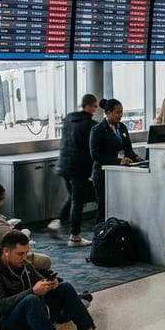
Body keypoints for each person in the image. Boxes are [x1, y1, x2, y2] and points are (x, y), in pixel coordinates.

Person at [0, 231, 113, 330]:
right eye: (20, 254)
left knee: (64, 287)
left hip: (29, 325)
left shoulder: (23, 266)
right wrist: (32, 291)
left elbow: (40, 280)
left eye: (26, 253)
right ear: (6, 251)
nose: (24, 257)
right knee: (31, 299)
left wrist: (50, 284)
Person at [51, 94, 99, 244]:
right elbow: (90, 150)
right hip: (80, 168)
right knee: (78, 201)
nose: (96, 109)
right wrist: (91, 171)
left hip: (65, 166)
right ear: (88, 106)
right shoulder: (90, 125)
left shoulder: (69, 119)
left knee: (73, 198)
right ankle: (75, 236)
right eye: (95, 106)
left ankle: (57, 222)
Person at [89, 98, 142, 224]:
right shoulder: (97, 130)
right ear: (108, 113)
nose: (120, 115)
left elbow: (127, 148)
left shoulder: (122, 127)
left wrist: (135, 157)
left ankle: (117, 230)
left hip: (119, 172)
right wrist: (118, 161)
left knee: (119, 204)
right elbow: (96, 155)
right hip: (103, 174)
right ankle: (101, 231)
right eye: (117, 112)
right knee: (104, 205)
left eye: (121, 112)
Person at [0, 181, 51, 270]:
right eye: (2, 199)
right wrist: (23, 232)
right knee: (45, 261)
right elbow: (14, 241)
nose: (2, 203)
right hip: (7, 255)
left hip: (8, 251)